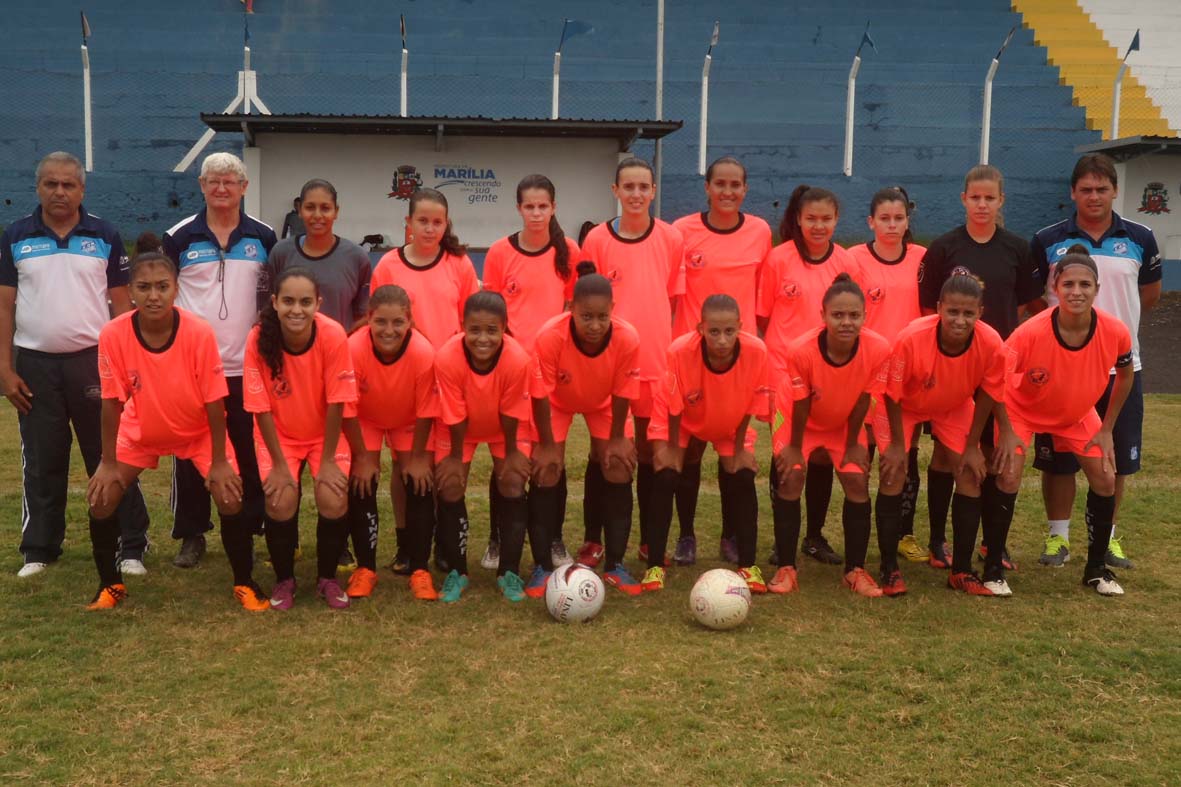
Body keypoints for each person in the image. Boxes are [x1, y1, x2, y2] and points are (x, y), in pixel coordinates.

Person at [0, 152, 150, 579]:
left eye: (68, 184)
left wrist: (128, 367)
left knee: (111, 455)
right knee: (42, 458)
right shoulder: (15, 235)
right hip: (34, 365)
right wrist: (5, 368)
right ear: (38, 188)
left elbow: (123, 309)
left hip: (94, 364)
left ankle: (131, 545)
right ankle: (40, 549)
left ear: (82, 190)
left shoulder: (104, 234)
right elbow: (4, 306)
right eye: (51, 184)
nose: (60, 192)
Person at [85, 249, 256, 609]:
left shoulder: (198, 332)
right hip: (142, 429)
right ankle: (110, 585)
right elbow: (111, 401)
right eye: (144, 287)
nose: (153, 295)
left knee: (229, 496)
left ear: (176, 288)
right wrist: (108, 460)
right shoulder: (114, 334)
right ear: (130, 291)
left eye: (162, 286)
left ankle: (245, 583)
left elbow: (214, 401)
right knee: (102, 499)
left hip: (198, 431)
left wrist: (221, 462)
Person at [1030, 153, 1161, 570]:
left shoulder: (1141, 236)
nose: (1094, 196)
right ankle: (1057, 539)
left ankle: (1106, 539)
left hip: (1121, 369)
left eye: (1101, 189)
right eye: (1085, 189)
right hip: (1062, 372)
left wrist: (1115, 333)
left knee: (1115, 459)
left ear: (1114, 191)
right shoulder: (1047, 238)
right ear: (1072, 193)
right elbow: (1036, 300)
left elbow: (1149, 297)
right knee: (1061, 460)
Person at [917, 164, 1044, 571]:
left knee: (992, 455)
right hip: (953, 366)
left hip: (997, 365)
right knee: (946, 453)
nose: (983, 204)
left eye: (990, 198)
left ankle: (993, 544)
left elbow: (1024, 304)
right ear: (964, 199)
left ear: (1001, 200)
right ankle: (938, 541)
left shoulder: (1017, 249)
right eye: (976, 197)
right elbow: (928, 307)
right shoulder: (944, 248)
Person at [994, 248, 1133, 596]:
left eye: (1085, 284)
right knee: (1009, 474)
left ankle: (1096, 570)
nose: (1076, 291)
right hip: (1023, 409)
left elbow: (1126, 374)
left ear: (1096, 289)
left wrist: (1106, 429)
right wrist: (1007, 431)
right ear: (1055, 287)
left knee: (1104, 478)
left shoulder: (1114, 330)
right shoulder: (1030, 332)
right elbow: (996, 377)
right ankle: (993, 567)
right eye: (1068, 283)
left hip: (1077, 413)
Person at [163, 152, 276, 569]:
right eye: (214, 181)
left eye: (230, 181)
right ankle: (192, 534)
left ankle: (249, 525)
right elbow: (163, 293)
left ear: (244, 188)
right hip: (193, 367)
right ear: (202, 186)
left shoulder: (263, 237)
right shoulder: (179, 237)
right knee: (193, 452)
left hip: (246, 367)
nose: (222, 188)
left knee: (248, 449)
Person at [579, 157, 684, 570]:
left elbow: (671, 300)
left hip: (655, 363)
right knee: (603, 452)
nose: (637, 194)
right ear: (615, 192)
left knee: (646, 453)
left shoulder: (672, 238)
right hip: (609, 367)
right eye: (629, 187)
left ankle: (645, 540)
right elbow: (589, 306)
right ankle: (593, 539)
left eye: (644, 187)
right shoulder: (597, 242)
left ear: (653, 192)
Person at [873, 273, 1007, 597]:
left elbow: (989, 393)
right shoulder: (911, 337)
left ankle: (960, 570)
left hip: (952, 404)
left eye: (968, 313)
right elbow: (891, 393)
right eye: (952, 312)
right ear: (938, 308)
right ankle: (889, 568)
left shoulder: (990, 343)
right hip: (902, 406)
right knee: (894, 473)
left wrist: (973, 445)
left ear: (980, 313)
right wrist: (895, 445)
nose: (960, 320)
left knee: (971, 473)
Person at [369, 188, 479, 573]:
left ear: (446, 224)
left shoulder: (460, 264)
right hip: (403, 380)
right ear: (408, 223)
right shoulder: (387, 265)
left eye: (437, 222)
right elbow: (378, 325)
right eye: (422, 221)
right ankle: (407, 545)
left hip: (447, 382)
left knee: (437, 467)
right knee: (404, 466)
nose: (430, 228)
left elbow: (472, 323)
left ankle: (443, 545)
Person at [670, 156, 772, 566]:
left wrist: (750, 343)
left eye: (736, 185)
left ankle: (732, 536)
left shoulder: (761, 231)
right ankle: (686, 535)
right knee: (689, 451)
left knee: (735, 456)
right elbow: (674, 293)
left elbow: (761, 297)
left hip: (739, 360)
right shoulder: (683, 231)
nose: (728, 192)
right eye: (720, 184)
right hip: (694, 358)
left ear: (745, 190)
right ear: (707, 187)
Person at [243, 267, 361, 610]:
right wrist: (280, 466)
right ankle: (285, 580)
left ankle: (326, 577)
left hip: (324, 435)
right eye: (289, 301)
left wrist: (326, 461)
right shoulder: (258, 338)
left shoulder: (333, 335)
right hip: (277, 436)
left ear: (318, 304)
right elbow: (260, 407)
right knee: (280, 499)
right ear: (275, 303)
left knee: (334, 498)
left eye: (306, 302)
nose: (297, 309)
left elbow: (338, 400)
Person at [268, 178, 371, 567]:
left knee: (332, 461)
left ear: (336, 211)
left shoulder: (355, 257)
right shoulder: (280, 252)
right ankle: (287, 539)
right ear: (299, 210)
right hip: (289, 373)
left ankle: (338, 544)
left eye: (325, 208)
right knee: (289, 458)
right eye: (310, 208)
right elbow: (270, 310)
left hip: (335, 370)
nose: (317, 215)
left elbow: (362, 315)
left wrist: (334, 349)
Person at [768, 273, 890, 597]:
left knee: (856, 480)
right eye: (838, 315)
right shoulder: (800, 350)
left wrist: (852, 444)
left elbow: (865, 398)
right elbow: (800, 401)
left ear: (865, 315)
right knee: (791, 477)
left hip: (842, 421)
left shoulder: (878, 349)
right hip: (798, 419)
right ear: (822, 316)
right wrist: (794, 448)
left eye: (854, 315)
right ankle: (786, 568)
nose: (846, 322)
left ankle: (855, 571)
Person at [482, 174, 581, 571]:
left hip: (553, 375)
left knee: (550, 457)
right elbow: (491, 315)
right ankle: (497, 540)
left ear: (554, 207)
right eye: (529, 206)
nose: (537, 213)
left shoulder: (569, 251)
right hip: (510, 375)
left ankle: (553, 540)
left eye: (544, 206)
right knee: (506, 458)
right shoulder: (499, 252)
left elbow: (574, 312)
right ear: (518, 208)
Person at [758, 184, 860, 568]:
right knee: (786, 453)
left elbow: (853, 320)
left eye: (826, 219)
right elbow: (763, 318)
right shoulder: (778, 260)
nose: (818, 226)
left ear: (836, 220)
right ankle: (781, 540)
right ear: (798, 219)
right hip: (784, 375)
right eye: (811, 218)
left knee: (820, 458)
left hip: (831, 379)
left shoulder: (846, 264)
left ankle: (814, 536)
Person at [646, 295, 772, 594]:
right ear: (699, 328)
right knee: (667, 474)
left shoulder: (756, 351)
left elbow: (752, 402)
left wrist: (739, 448)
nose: (722, 339)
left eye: (729, 331)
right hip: (683, 418)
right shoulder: (680, 351)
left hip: (729, 419)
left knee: (741, 475)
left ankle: (749, 565)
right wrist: (674, 448)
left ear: (740, 327)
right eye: (714, 331)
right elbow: (674, 405)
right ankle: (654, 565)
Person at [530, 263, 641, 597]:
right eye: (586, 316)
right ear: (570, 310)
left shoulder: (627, 338)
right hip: (557, 403)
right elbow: (540, 394)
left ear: (613, 312)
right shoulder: (549, 336)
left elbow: (623, 391)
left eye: (602, 316)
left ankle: (616, 565)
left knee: (618, 466)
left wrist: (619, 438)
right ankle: (542, 567)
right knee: (547, 468)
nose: (594, 325)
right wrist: (548, 445)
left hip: (605, 402)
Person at [433, 291, 533, 603]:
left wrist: (514, 452)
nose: (483, 338)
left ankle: (509, 572)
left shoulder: (518, 359)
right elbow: (455, 413)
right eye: (474, 330)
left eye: (492, 330)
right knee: (450, 485)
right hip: (459, 427)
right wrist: (454, 457)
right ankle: (457, 572)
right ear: (462, 326)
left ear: (505, 328)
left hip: (505, 427)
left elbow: (512, 411)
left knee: (513, 482)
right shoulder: (447, 358)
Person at [848, 187, 927, 566]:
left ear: (907, 221)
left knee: (904, 457)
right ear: (871, 222)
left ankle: (903, 533)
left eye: (898, 218)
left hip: (908, 377)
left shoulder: (922, 259)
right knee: (862, 456)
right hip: (867, 374)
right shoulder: (855, 260)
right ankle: (860, 536)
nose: (892, 225)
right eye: (884, 219)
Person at [346, 285, 440, 600]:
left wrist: (415, 459)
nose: (389, 330)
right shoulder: (354, 347)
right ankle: (366, 568)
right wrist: (361, 456)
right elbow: (346, 405)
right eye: (381, 322)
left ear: (409, 321)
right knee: (362, 480)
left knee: (419, 480)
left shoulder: (422, 351)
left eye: (398, 322)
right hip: (367, 419)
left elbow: (427, 409)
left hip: (409, 420)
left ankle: (419, 568)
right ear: (369, 318)